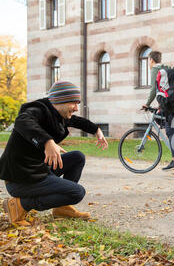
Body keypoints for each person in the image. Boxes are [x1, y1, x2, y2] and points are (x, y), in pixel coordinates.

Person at [0, 81, 108, 226]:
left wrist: (97, 130)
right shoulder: (38, 111)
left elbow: (77, 121)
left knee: (77, 157)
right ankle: (20, 205)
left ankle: (61, 208)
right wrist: (47, 141)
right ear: (60, 101)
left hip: (37, 170)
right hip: (21, 179)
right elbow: (23, 120)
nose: (76, 108)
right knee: (77, 193)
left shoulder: (57, 115)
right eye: (74, 103)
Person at [141, 51, 174, 171]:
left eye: (148, 61)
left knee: (170, 131)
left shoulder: (155, 69)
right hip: (172, 101)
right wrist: (159, 105)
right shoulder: (166, 68)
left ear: (151, 60)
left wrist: (147, 104)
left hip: (168, 104)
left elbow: (154, 90)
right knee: (160, 119)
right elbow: (164, 88)